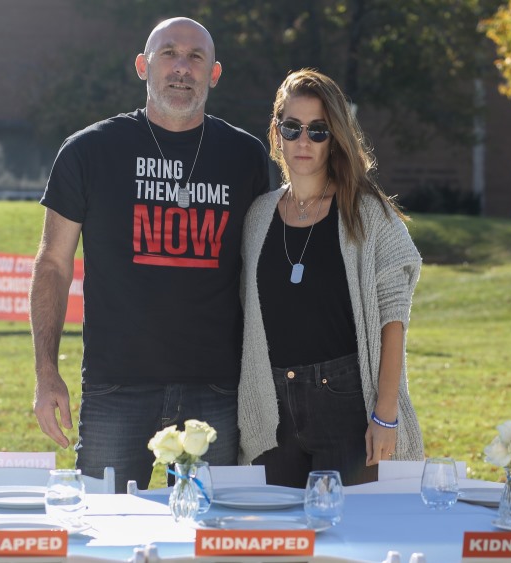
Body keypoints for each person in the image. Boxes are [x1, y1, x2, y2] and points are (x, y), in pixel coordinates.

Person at [30, 17, 270, 493]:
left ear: (214, 73)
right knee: (105, 530)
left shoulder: (246, 157)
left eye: (195, 57)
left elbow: (264, 270)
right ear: (143, 66)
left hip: (217, 387)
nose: (182, 68)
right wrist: (45, 371)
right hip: (115, 385)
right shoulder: (89, 151)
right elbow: (53, 265)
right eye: (169, 54)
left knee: (214, 533)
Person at [237, 69, 424, 487]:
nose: (303, 141)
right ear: (277, 132)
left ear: (334, 136)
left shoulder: (367, 214)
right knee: (277, 542)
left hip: (347, 408)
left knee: (349, 543)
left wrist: (386, 414)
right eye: (293, 127)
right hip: (272, 409)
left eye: (318, 130)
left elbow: (394, 320)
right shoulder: (257, 218)